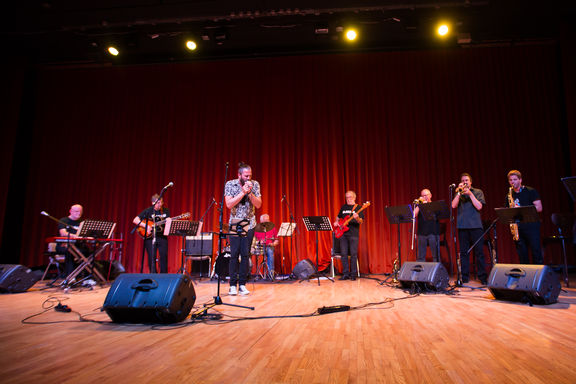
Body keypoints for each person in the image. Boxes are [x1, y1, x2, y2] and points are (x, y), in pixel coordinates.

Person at [225, 162, 262, 295]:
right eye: (246, 176)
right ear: (239, 175)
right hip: (236, 221)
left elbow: (258, 205)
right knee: (234, 254)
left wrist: (250, 193)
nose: (248, 178)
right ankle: (232, 285)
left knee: (246, 255)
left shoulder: (255, 184)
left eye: (250, 176)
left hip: (250, 222)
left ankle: (242, 284)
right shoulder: (230, 184)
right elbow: (229, 204)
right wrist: (242, 192)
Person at [451, 173, 488, 285]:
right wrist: (458, 192)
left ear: (471, 182)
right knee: (463, 253)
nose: (465, 182)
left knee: (479, 253)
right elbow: (453, 205)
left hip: (476, 226)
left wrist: (470, 194)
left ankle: (482, 277)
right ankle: (465, 277)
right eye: (463, 180)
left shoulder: (477, 192)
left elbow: (479, 206)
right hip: (462, 227)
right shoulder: (460, 193)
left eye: (466, 180)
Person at [506, 170, 543, 264]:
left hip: (531, 226)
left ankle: (537, 277)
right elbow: (507, 211)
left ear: (520, 180)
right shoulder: (509, 195)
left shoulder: (530, 191)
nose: (512, 182)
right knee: (522, 255)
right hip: (518, 228)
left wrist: (520, 208)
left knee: (536, 252)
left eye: (515, 179)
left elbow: (539, 208)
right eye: (510, 180)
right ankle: (525, 277)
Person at [133, 194, 170, 273]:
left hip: (162, 237)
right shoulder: (148, 211)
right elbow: (135, 220)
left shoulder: (166, 211)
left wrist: (170, 221)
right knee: (151, 257)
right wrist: (146, 226)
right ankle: (153, 275)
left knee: (163, 257)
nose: (160, 204)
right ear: (153, 203)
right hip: (150, 237)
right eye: (158, 203)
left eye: (161, 202)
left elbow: (168, 224)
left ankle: (164, 276)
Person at [333, 190, 364, 281]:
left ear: (354, 197)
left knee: (353, 254)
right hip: (343, 234)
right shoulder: (343, 207)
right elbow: (338, 217)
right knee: (344, 254)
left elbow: (361, 221)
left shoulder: (358, 207)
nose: (348, 199)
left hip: (353, 234)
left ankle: (353, 275)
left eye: (350, 197)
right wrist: (336, 222)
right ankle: (345, 274)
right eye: (346, 197)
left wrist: (357, 217)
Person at [57, 204, 84, 277]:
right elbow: (63, 233)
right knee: (70, 252)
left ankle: (86, 277)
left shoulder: (82, 222)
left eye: (80, 212)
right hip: (64, 246)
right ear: (70, 211)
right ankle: (70, 278)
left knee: (89, 252)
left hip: (77, 246)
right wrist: (74, 236)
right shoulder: (64, 220)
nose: (79, 213)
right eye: (76, 211)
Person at [414, 189, 440, 262]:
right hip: (422, 232)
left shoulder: (434, 205)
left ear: (430, 195)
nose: (425, 197)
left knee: (435, 256)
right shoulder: (420, 206)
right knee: (421, 256)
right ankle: (421, 273)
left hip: (433, 232)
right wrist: (419, 205)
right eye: (423, 195)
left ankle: (436, 272)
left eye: (426, 195)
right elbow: (414, 215)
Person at [254, 214, 279, 280]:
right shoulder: (256, 229)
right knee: (247, 252)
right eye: (264, 221)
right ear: (260, 221)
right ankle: (248, 274)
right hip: (260, 247)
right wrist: (259, 242)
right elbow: (253, 241)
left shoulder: (272, 228)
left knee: (270, 252)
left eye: (267, 221)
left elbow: (276, 240)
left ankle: (271, 274)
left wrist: (273, 244)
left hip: (269, 246)